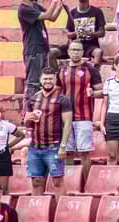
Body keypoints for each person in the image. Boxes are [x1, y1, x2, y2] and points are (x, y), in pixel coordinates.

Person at [57, 40, 103, 179]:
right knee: (68, 152)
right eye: (73, 50)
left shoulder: (91, 70)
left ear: (83, 52)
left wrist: (92, 93)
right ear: (69, 52)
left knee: (84, 152)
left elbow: (101, 91)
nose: (75, 52)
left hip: (84, 116)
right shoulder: (62, 70)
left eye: (78, 50)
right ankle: (71, 181)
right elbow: (57, 92)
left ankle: (87, 181)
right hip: (65, 118)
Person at [24, 68, 72, 196]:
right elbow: (27, 124)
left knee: (57, 182)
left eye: (50, 78)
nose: (48, 81)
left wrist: (63, 146)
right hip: (35, 147)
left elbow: (68, 124)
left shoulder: (63, 100)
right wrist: (27, 120)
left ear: (55, 80)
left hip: (54, 147)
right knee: (36, 181)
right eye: (45, 78)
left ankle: (62, 213)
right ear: (40, 80)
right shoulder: (33, 99)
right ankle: (37, 213)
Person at [16, 0, 62, 99]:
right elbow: (46, 15)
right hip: (33, 50)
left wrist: (59, 5)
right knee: (33, 83)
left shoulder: (35, 6)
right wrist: (54, 0)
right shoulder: (23, 9)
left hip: (42, 49)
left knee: (41, 83)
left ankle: (38, 109)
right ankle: (28, 111)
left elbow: (52, 17)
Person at [62, 0, 105, 66]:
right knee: (52, 52)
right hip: (75, 46)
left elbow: (102, 32)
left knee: (99, 52)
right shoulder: (72, 12)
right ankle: (59, 76)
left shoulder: (97, 11)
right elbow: (68, 32)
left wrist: (89, 33)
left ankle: (94, 74)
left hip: (91, 46)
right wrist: (73, 34)